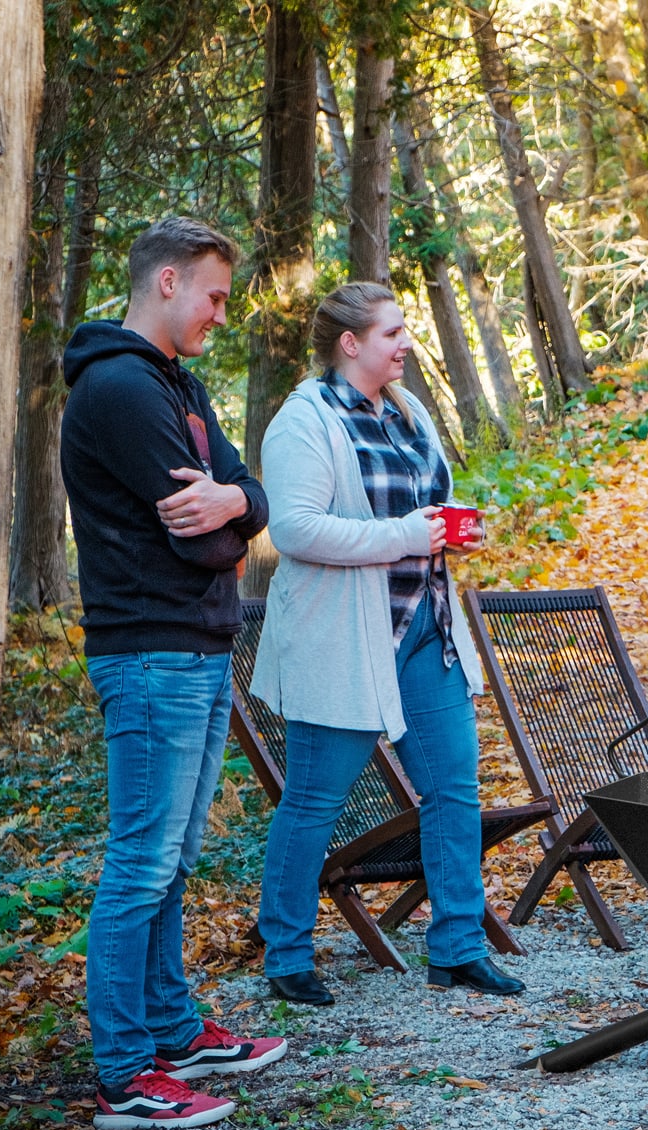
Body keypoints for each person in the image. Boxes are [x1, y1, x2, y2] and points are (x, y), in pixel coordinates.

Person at [62, 217, 287, 1130]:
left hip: (193, 650)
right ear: (165, 283)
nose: (220, 315)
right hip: (150, 649)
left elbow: (243, 497)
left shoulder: (179, 384)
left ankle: (169, 1026)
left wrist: (236, 502)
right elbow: (199, 548)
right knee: (141, 862)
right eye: (214, 295)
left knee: (174, 859)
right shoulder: (117, 388)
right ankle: (123, 1074)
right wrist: (233, 522)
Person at [250, 282, 523, 1005]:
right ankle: (286, 953)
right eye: (392, 333)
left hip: (424, 629)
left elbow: (426, 502)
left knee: (454, 790)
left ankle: (459, 947)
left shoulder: (409, 410)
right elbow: (296, 531)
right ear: (351, 344)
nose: (405, 342)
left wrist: (452, 529)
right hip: (343, 642)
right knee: (314, 799)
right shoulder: (304, 422)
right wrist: (405, 536)